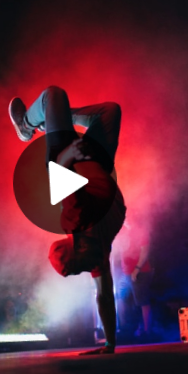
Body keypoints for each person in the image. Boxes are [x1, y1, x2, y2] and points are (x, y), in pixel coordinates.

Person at [9, 85, 126, 354]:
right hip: (87, 161)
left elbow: (103, 295)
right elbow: (104, 297)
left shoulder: (90, 247)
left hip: (72, 159)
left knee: (58, 98)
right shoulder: (89, 243)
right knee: (101, 109)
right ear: (69, 246)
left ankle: (32, 124)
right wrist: (109, 344)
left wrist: (110, 343)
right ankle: (39, 122)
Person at [114, 221, 154, 341]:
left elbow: (145, 251)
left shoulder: (141, 232)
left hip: (140, 272)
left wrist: (137, 269)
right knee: (121, 298)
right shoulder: (123, 232)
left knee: (142, 301)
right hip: (125, 273)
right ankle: (126, 328)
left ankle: (146, 331)